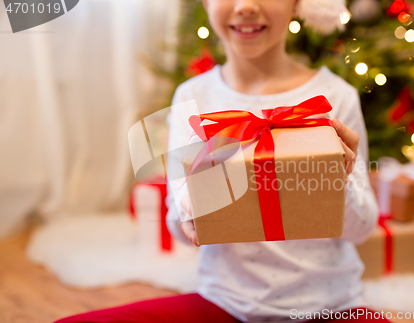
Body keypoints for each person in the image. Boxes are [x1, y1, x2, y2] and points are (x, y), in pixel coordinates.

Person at [55, 0, 388, 322]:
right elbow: (177, 225)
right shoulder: (192, 97)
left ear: (296, 4)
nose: (245, 5)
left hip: (328, 307)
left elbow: (362, 228)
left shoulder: (333, 97)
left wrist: (337, 179)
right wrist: (193, 211)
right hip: (225, 305)